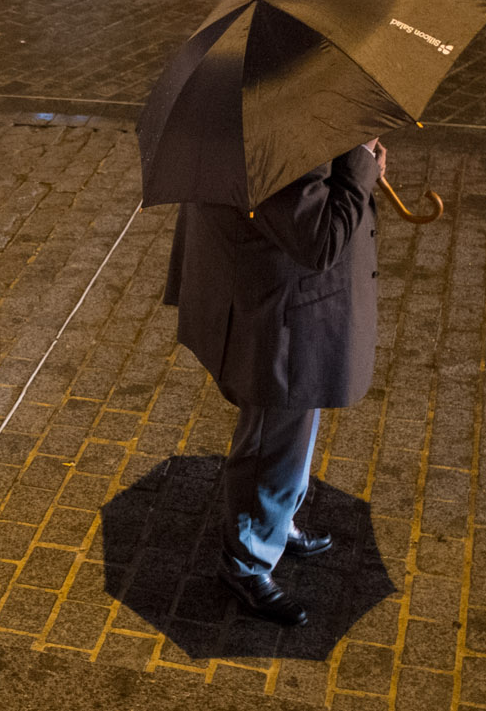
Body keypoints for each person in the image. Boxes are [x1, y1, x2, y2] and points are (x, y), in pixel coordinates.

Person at [162, 140, 386, 626]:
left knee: (289, 430)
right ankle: (247, 560)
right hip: (278, 316)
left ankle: (275, 521)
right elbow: (319, 240)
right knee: (272, 437)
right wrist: (361, 166)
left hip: (268, 299)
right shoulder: (283, 140)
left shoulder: (260, 113)